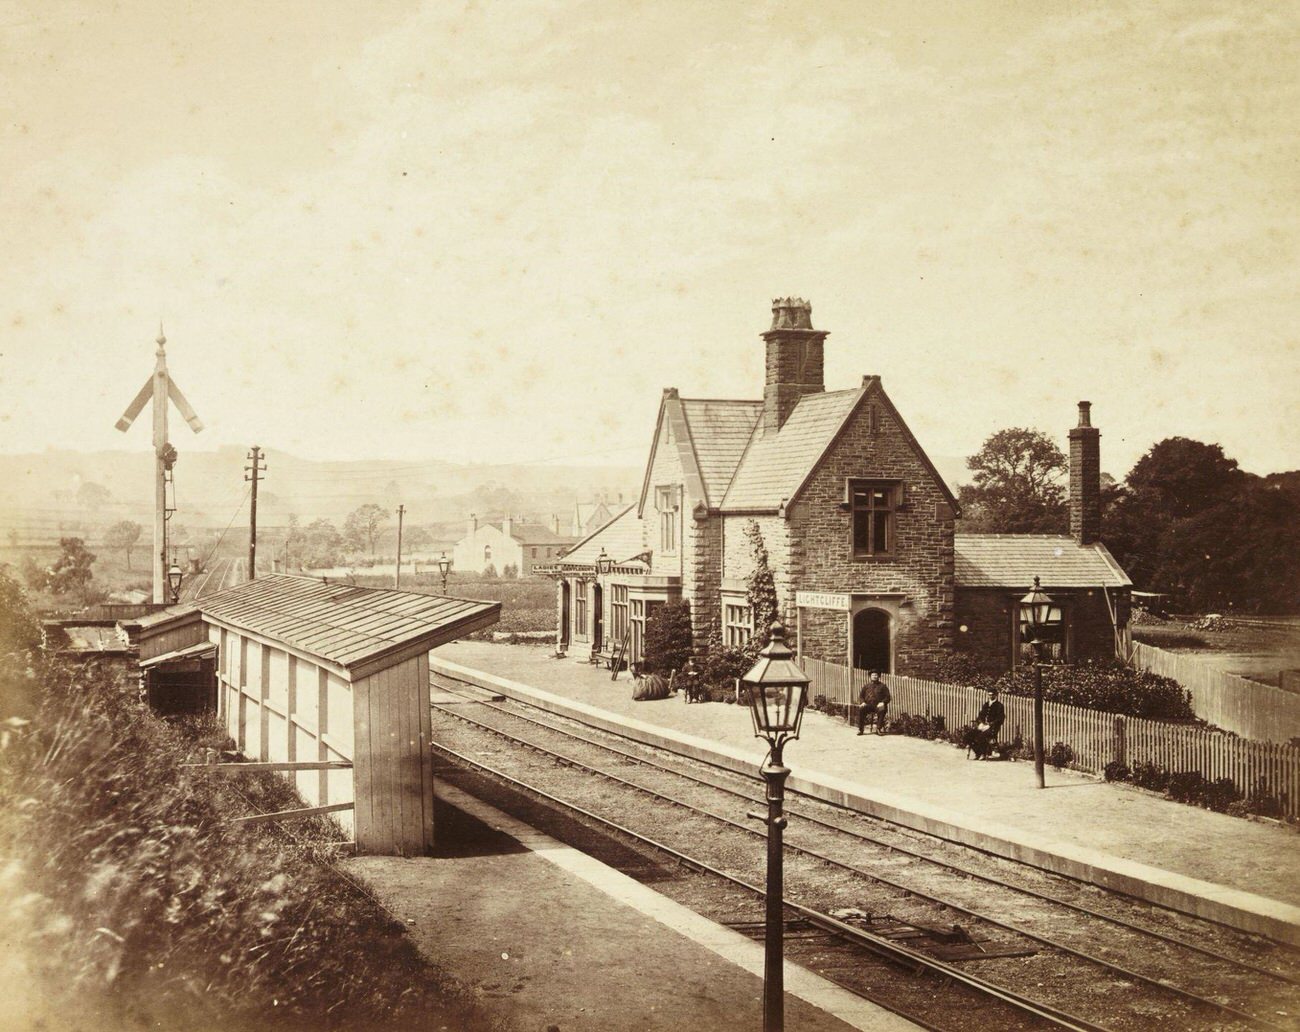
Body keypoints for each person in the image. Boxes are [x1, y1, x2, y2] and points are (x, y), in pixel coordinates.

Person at [971, 688, 1005, 759]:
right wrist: (980, 722)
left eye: (992, 695)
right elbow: (980, 715)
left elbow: (1000, 719)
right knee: (969, 735)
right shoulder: (986, 704)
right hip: (983, 725)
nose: (990, 696)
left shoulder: (999, 706)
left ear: (996, 695)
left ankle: (983, 753)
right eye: (989, 695)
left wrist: (990, 724)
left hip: (992, 728)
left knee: (980, 736)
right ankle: (978, 753)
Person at [856, 671, 890, 735]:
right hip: (868, 705)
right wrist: (862, 702)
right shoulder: (866, 686)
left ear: (878, 676)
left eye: (876, 675)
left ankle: (878, 729)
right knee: (861, 709)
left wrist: (883, 702)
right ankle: (860, 729)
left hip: (878, 705)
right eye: (873, 675)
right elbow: (861, 696)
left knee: (882, 709)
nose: (874, 676)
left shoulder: (883, 686)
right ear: (870, 677)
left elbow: (888, 697)